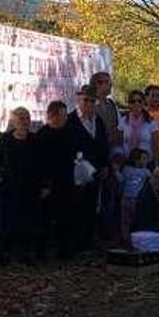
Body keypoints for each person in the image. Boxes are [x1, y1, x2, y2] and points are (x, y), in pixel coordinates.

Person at [0, 107, 41, 265]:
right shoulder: (5, 139)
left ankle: (26, 254)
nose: (24, 122)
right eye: (20, 118)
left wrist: (45, 184)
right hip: (9, 187)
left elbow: (42, 163)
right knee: (7, 221)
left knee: (28, 221)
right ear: (13, 121)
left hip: (30, 187)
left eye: (26, 118)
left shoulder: (35, 140)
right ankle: (4, 254)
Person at [67, 85, 110, 253]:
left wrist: (105, 165)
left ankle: (88, 239)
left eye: (92, 101)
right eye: (86, 100)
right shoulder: (71, 120)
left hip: (96, 170)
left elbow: (103, 144)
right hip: (77, 171)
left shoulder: (98, 120)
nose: (89, 104)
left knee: (92, 205)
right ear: (78, 100)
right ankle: (75, 242)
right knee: (76, 206)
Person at [35, 101, 76, 260]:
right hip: (48, 184)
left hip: (66, 181)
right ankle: (41, 252)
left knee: (66, 218)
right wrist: (44, 184)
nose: (65, 118)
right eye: (62, 115)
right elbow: (38, 164)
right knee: (45, 219)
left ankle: (65, 250)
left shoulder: (70, 132)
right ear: (52, 116)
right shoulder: (42, 136)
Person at [118, 90, 159, 165]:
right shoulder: (123, 121)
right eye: (133, 101)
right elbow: (119, 144)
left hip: (147, 163)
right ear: (129, 104)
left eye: (139, 101)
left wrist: (156, 164)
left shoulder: (151, 122)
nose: (136, 104)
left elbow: (155, 146)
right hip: (127, 162)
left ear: (144, 103)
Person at [119, 148, 151, 243]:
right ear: (136, 159)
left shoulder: (147, 172)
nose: (146, 161)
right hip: (126, 198)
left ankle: (137, 238)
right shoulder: (126, 169)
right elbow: (121, 181)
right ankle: (125, 238)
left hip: (138, 200)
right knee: (125, 220)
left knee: (137, 219)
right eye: (144, 158)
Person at [90, 71, 122, 149]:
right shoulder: (90, 106)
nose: (111, 85)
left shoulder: (112, 104)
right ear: (97, 84)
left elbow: (120, 126)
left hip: (114, 150)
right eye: (107, 82)